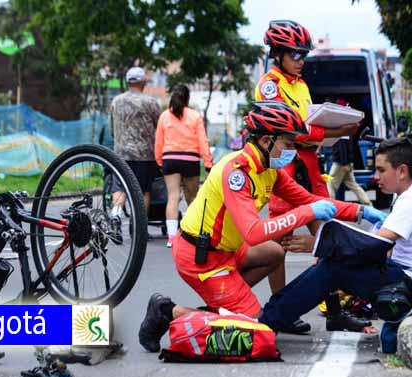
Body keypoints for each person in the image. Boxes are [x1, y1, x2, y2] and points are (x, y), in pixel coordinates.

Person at [138, 101, 388, 353]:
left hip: (227, 251)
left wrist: (361, 211)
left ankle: (225, 305)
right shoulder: (236, 172)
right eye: (288, 144)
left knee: (274, 253)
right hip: (201, 259)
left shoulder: (268, 169)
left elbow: (310, 200)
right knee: (256, 330)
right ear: (268, 141)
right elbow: (253, 232)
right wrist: (305, 214)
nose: (293, 151)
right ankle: (167, 311)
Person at [258, 137, 412, 354]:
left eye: (381, 170)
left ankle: (266, 323)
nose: (375, 177)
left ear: (402, 171)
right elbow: (377, 249)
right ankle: (271, 317)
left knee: (332, 269)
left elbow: (372, 246)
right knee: (334, 262)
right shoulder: (410, 196)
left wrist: (319, 244)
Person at [255, 20, 361, 326]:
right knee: (279, 242)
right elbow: (287, 129)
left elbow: (306, 124)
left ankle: (334, 311)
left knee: (329, 234)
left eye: (304, 55)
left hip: (311, 167)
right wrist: (335, 129)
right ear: (278, 53)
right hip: (284, 167)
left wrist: (332, 129)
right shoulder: (269, 85)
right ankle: (281, 312)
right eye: (295, 54)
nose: (301, 61)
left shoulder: (300, 84)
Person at [155, 85, 213, 248]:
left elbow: (158, 141)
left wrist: (159, 161)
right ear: (187, 99)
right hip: (190, 159)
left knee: (173, 197)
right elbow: (203, 140)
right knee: (192, 198)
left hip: (170, 159)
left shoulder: (164, 116)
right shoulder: (195, 116)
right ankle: (193, 234)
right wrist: (208, 162)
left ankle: (172, 237)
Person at [110, 66, 161, 241]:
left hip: (120, 153)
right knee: (143, 191)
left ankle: (115, 214)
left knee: (119, 186)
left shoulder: (116, 101)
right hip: (144, 154)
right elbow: (159, 126)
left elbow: (112, 128)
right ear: (142, 82)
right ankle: (138, 228)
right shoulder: (150, 102)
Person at [327, 136, 371, 204]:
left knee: (330, 184)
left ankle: (330, 204)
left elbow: (342, 148)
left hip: (339, 164)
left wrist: (344, 163)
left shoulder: (341, 134)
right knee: (353, 185)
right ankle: (367, 203)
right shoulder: (347, 134)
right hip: (347, 163)